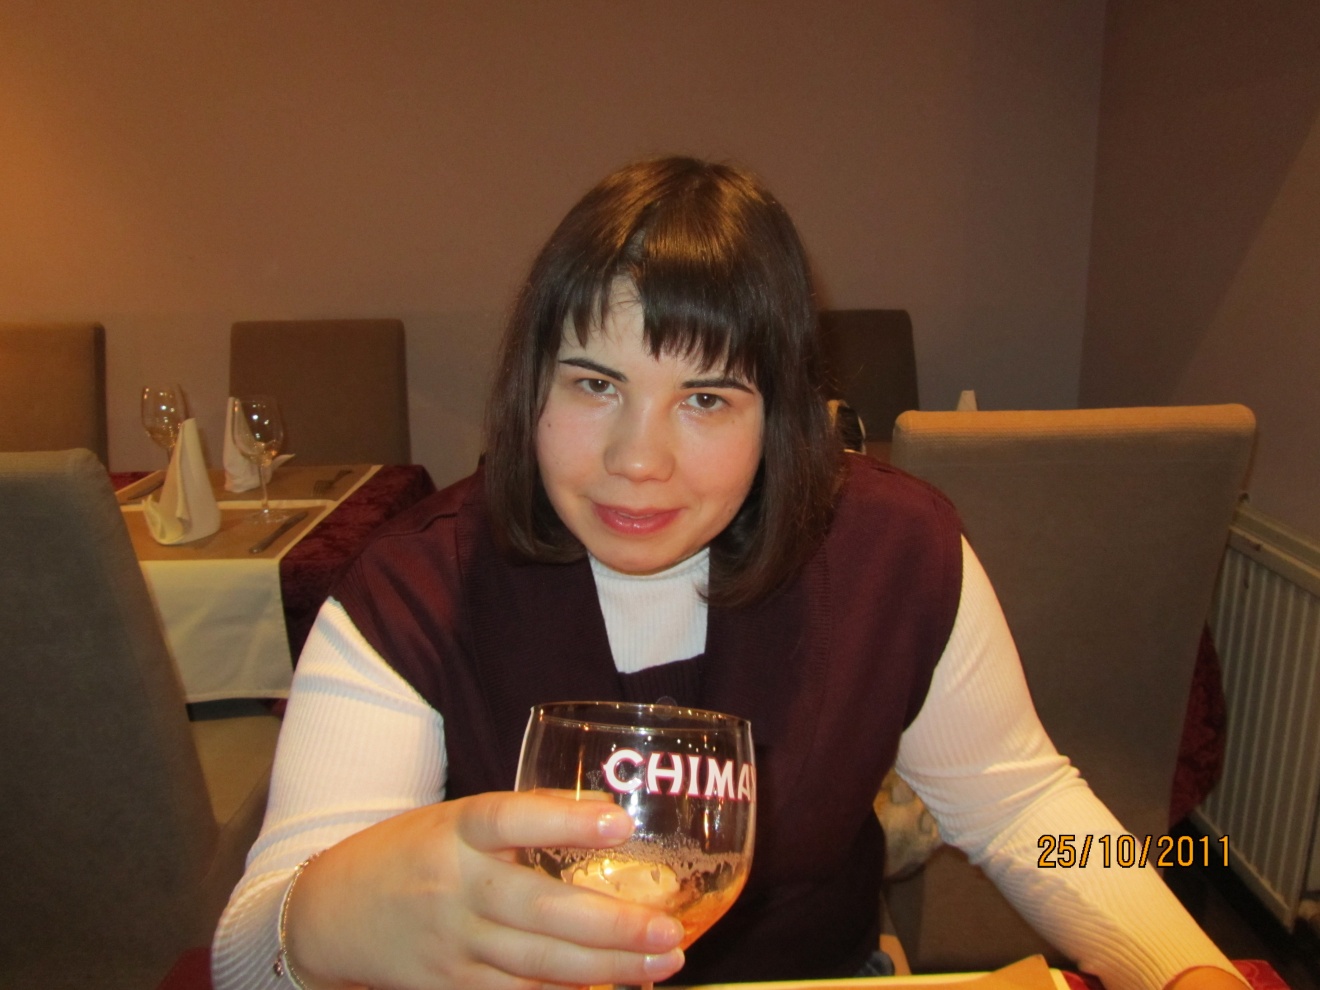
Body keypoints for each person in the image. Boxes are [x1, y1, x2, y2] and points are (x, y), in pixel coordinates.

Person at [213, 157, 1245, 990]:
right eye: (594, 384)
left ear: (779, 414)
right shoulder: (417, 588)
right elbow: (245, 954)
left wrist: (1183, 963)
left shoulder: (891, 554)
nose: (638, 460)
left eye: (705, 399)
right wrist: (328, 916)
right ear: (531, 387)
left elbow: (1024, 808)